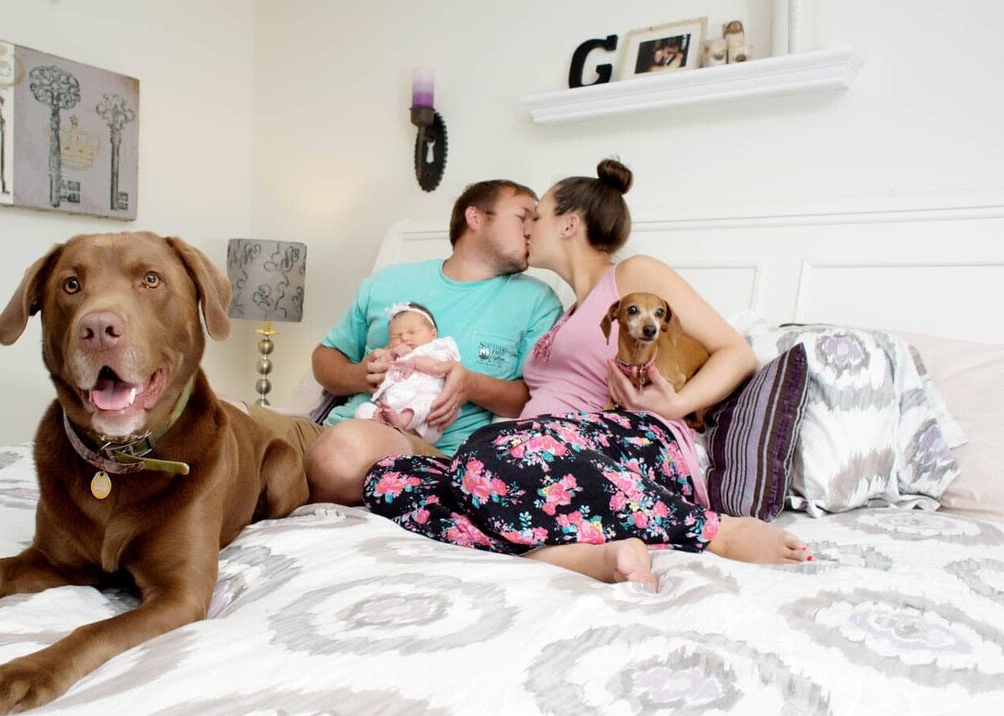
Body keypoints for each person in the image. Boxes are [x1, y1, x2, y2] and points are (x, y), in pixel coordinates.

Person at [363, 158, 811, 591]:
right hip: (535, 456)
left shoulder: (633, 276)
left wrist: (674, 403)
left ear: (569, 225)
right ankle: (576, 557)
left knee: (483, 453)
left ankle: (718, 532)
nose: (527, 228)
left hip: (628, 449)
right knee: (389, 478)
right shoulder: (565, 315)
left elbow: (735, 352)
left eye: (535, 217)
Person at [246, 179, 565, 504]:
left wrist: (470, 385)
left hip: (421, 447)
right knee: (222, 417)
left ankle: (281, 495)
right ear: (476, 217)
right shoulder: (388, 282)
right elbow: (325, 357)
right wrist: (357, 375)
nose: (531, 230)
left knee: (343, 453)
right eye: (523, 216)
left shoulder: (537, 301)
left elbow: (534, 398)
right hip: (329, 428)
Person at [354, 302, 461, 443]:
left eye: (412, 332)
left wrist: (414, 362)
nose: (404, 338)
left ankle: (402, 422)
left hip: (424, 419)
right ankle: (384, 425)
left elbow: (439, 368)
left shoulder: (437, 348)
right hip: (390, 408)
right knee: (362, 410)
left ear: (433, 333)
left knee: (429, 403)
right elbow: (377, 375)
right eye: (396, 336)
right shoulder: (393, 354)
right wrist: (390, 355)